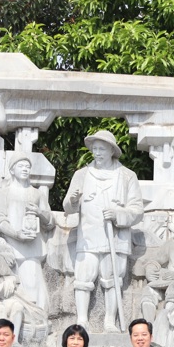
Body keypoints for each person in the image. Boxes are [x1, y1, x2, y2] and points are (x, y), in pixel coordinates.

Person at [62, 130, 144, 331]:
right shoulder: (81, 174)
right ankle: (82, 319)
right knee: (83, 277)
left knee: (112, 278)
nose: (97, 153)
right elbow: (68, 205)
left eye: (101, 149)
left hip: (114, 237)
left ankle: (109, 320)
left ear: (111, 151)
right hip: (88, 236)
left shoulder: (126, 176)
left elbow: (137, 210)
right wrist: (72, 201)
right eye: (94, 149)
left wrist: (118, 214)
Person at [0, 152, 54, 309]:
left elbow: (50, 221)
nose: (25, 169)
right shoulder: (3, 193)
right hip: (10, 247)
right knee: (12, 288)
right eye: (21, 166)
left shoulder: (37, 193)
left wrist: (40, 212)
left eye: (27, 166)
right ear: (12, 170)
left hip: (31, 249)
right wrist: (16, 234)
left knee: (33, 285)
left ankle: (37, 316)